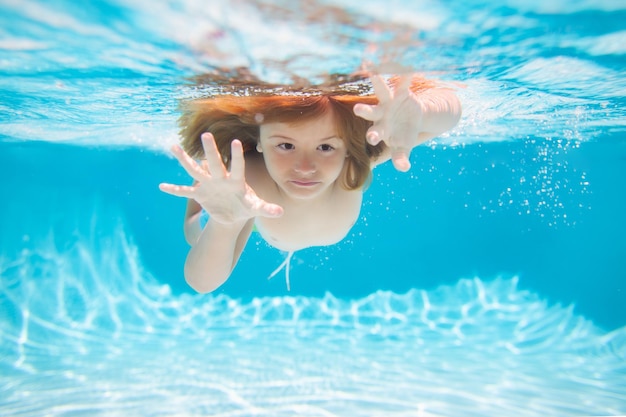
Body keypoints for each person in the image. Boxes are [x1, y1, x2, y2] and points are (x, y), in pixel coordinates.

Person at [159, 72, 462, 293]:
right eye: (286, 146)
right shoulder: (250, 183)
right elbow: (201, 282)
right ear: (259, 141)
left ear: (348, 147)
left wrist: (421, 112)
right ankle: (207, 201)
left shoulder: (354, 162)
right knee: (199, 227)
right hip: (247, 208)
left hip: (249, 208)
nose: (305, 168)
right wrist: (224, 223)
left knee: (227, 202)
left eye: (326, 147)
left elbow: (449, 116)